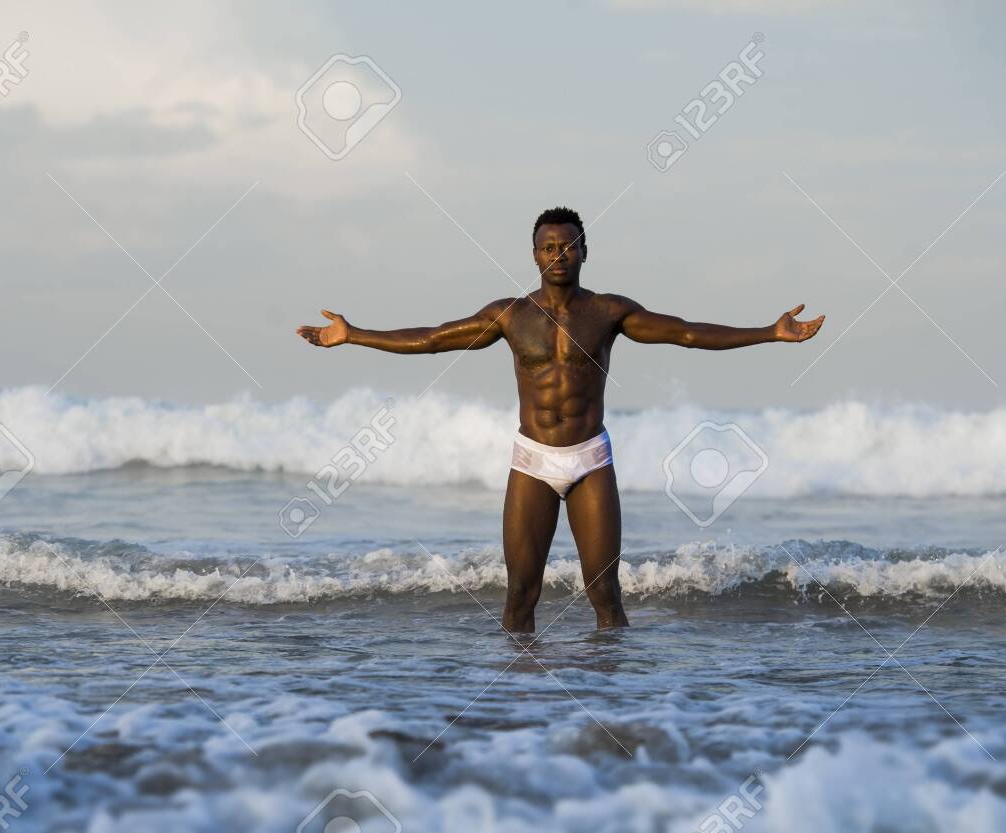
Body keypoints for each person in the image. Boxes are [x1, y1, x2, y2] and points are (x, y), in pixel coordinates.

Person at [298, 206, 825, 631]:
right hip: (532, 461)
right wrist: (355, 334)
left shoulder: (607, 312)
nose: (559, 255)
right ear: (534, 255)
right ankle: (521, 707)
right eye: (549, 247)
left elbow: (685, 332)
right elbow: (432, 340)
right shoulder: (510, 315)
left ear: (583, 252)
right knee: (520, 598)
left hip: (590, 459)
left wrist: (768, 332)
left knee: (605, 595)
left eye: (568, 245)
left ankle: (610, 706)